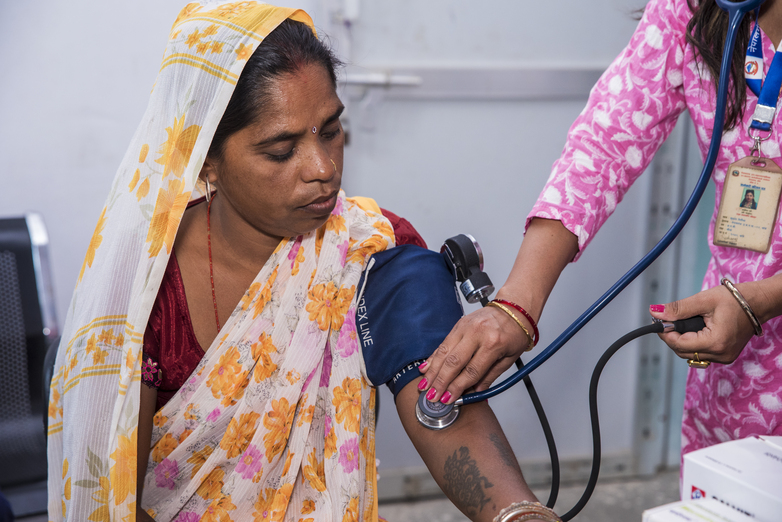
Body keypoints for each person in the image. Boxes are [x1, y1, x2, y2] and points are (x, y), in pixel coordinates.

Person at [46, 3, 559, 522]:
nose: (323, 169)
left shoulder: (373, 247)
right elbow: (109, 494)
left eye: (331, 130)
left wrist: (516, 513)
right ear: (205, 159)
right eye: (280, 150)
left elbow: (441, 402)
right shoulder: (142, 292)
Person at [419, 0, 782, 463]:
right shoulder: (691, 9)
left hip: (744, 315)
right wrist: (517, 304)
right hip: (732, 373)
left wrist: (761, 300)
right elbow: (605, 142)